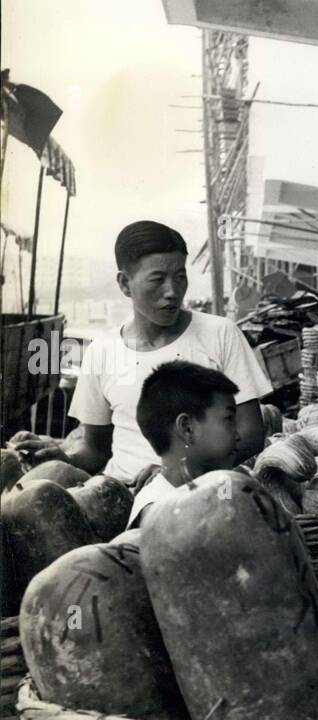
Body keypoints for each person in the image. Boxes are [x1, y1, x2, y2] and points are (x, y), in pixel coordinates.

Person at [11, 222, 270, 485]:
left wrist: (182, 471)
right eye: (157, 280)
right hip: (122, 497)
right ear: (125, 284)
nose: (172, 292)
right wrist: (65, 459)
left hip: (203, 494)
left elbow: (250, 434)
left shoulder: (220, 334)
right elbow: (96, 449)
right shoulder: (102, 352)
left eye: (180, 277)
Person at [125, 362, 241, 529]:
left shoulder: (222, 485)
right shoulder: (157, 513)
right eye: (229, 419)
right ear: (187, 428)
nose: (238, 435)